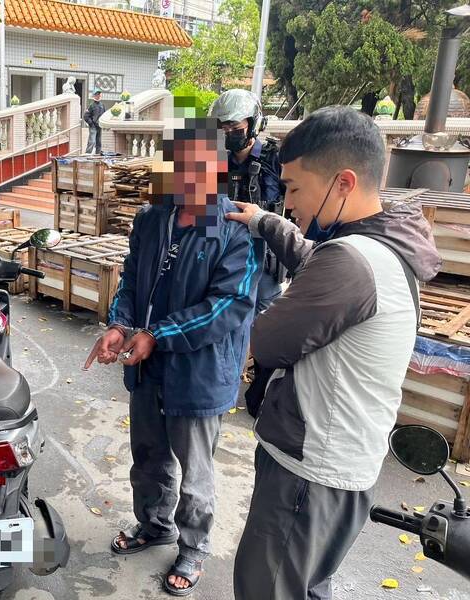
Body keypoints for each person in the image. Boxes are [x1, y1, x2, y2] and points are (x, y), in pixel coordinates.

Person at [226, 106, 441, 600]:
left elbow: (270, 340)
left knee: (269, 588)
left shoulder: (349, 262)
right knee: (308, 587)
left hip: (309, 476)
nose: (288, 201)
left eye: (296, 188)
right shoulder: (383, 247)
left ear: (343, 183)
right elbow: (312, 259)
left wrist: (264, 309)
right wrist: (263, 222)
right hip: (347, 469)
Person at [84, 101, 259, 596]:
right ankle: (154, 524)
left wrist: (158, 333)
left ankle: (194, 546)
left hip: (200, 372)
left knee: (196, 471)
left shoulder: (237, 229)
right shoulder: (153, 218)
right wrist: (120, 325)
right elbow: (132, 281)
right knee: (149, 454)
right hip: (147, 366)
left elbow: (228, 306)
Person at [210, 88, 284, 312]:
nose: (229, 133)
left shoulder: (276, 159)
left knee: (266, 321)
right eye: (223, 128)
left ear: (253, 124)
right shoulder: (214, 161)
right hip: (222, 253)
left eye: (235, 128)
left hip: (263, 258)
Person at [84, 88, 105, 155]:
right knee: (92, 141)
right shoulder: (91, 105)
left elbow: (104, 114)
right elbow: (86, 116)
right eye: (96, 94)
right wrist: (91, 123)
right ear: (94, 95)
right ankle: (87, 153)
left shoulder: (102, 105)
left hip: (99, 126)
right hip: (93, 126)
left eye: (99, 94)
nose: (98, 95)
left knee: (99, 142)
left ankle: (98, 154)